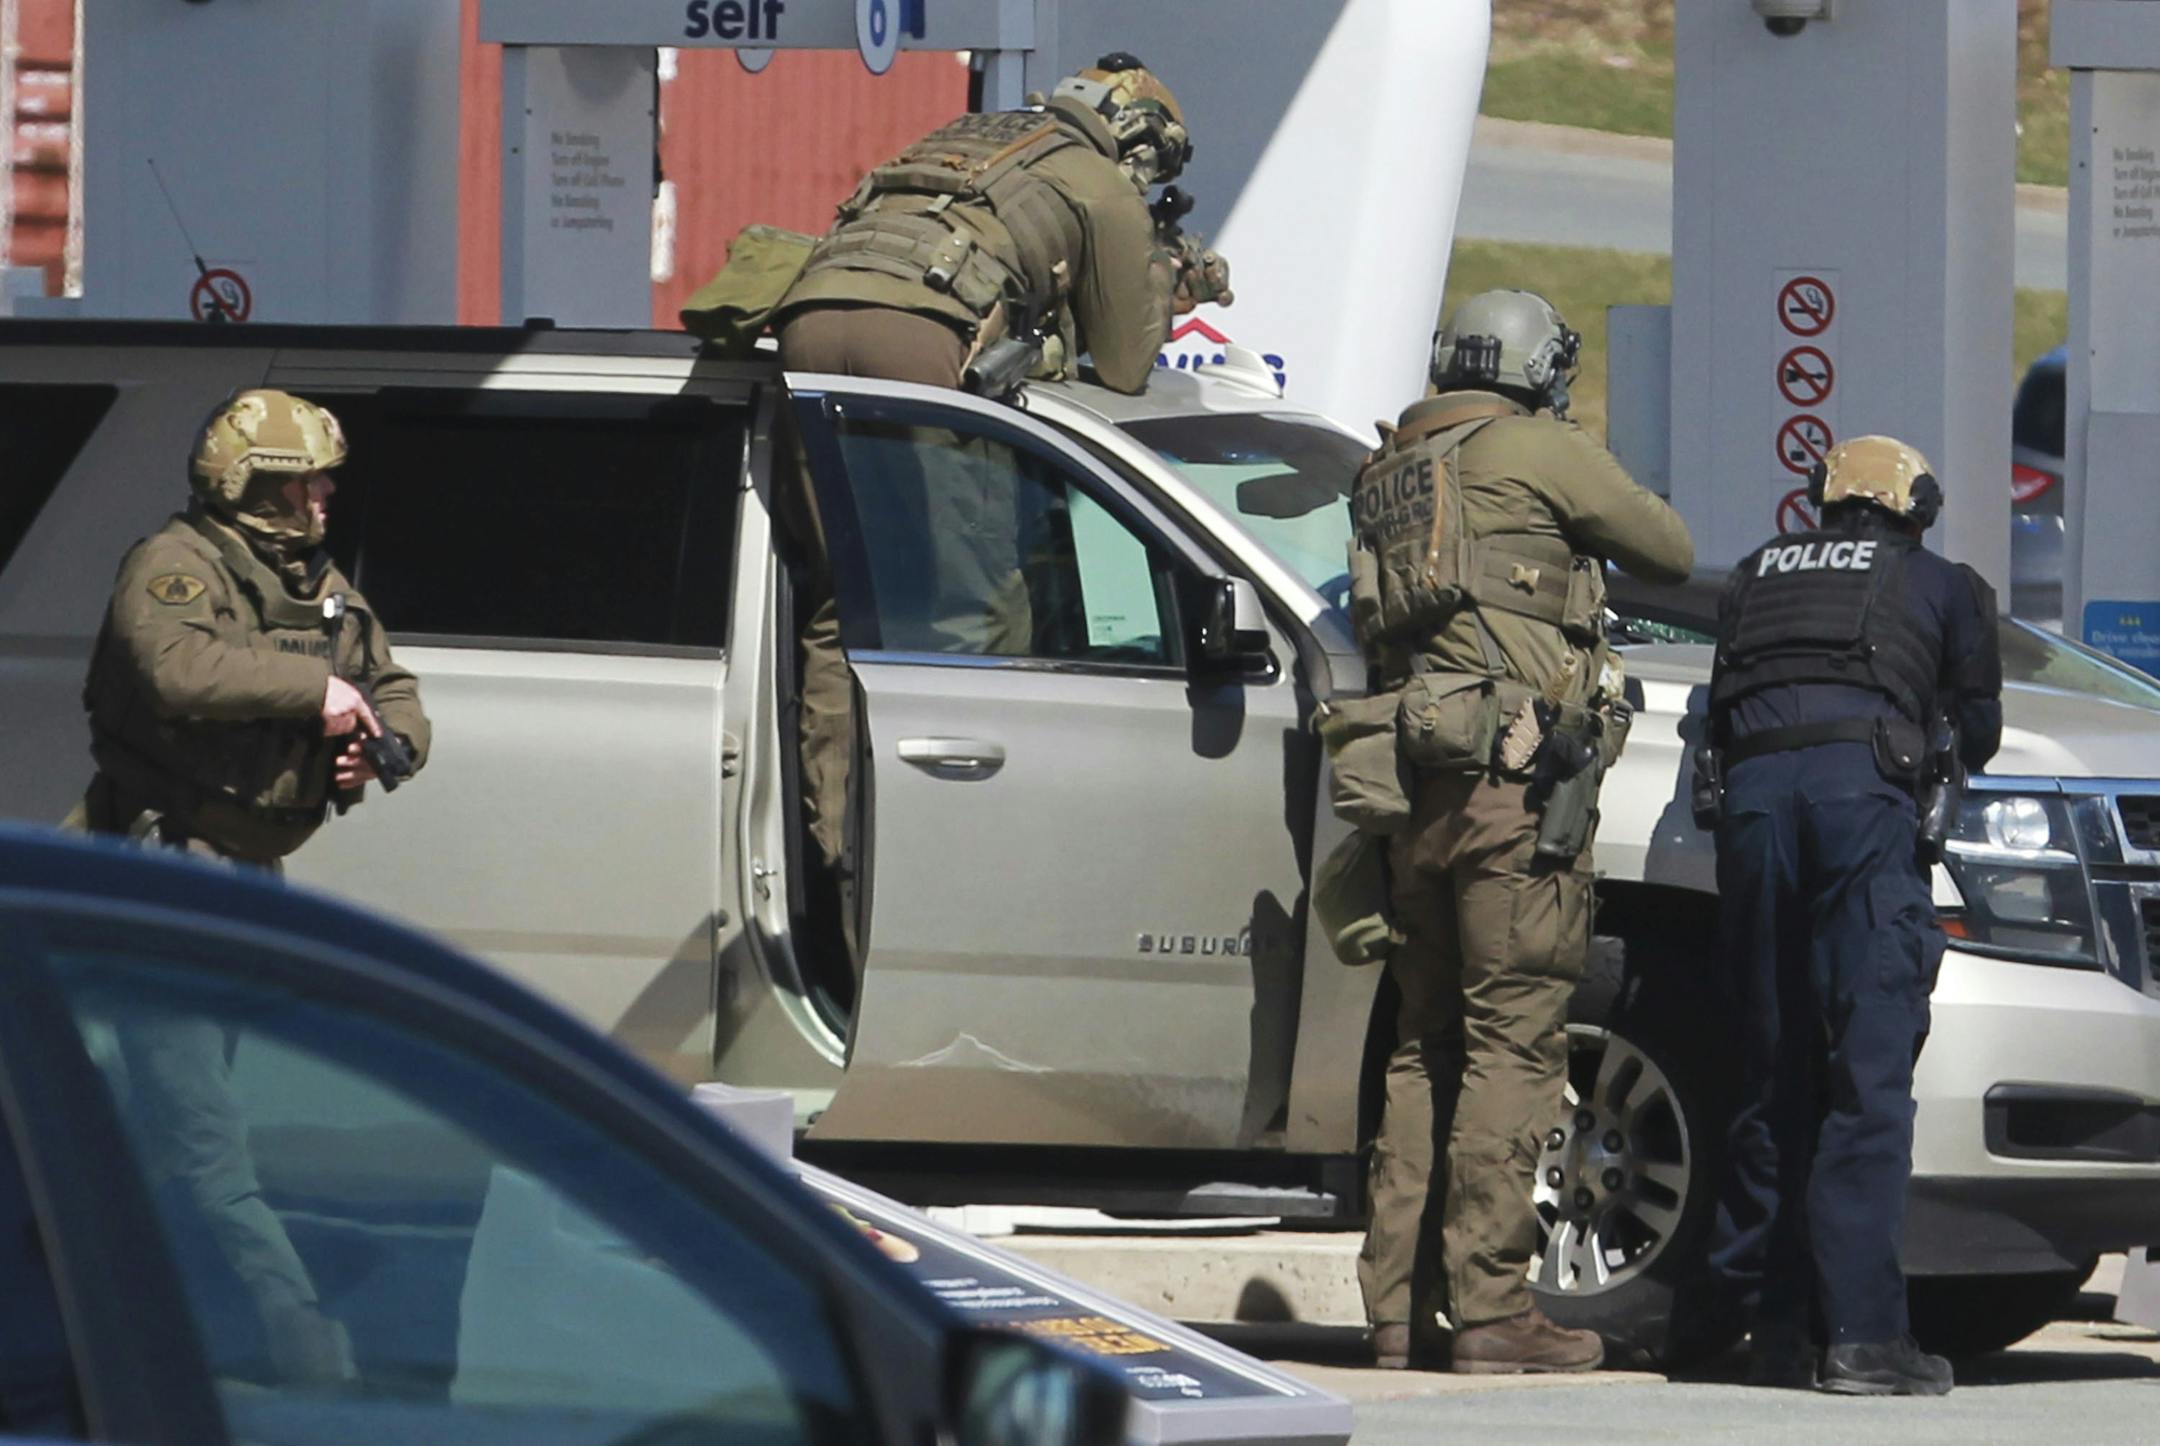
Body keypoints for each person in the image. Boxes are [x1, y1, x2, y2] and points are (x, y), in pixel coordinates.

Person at [770, 54, 1229, 930]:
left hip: (809, 317)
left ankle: (833, 857)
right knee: (972, 606)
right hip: (922, 338)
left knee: (843, 600)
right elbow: (1127, 365)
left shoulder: (970, 141)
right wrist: (1172, 280)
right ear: (1135, 138)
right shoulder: (1097, 180)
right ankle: (943, 866)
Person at [1349, 290, 1695, 1372]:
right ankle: (1496, 1313)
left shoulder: (1393, 466)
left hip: (1413, 787)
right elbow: (1667, 547)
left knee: (1422, 1045)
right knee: (1514, 1040)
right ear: (1539, 365)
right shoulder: (1534, 448)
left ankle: (1398, 1310)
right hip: (1513, 787)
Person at [70, 387, 431, 1384]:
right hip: (163, 872)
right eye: (299, 483)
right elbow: (176, 671)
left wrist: (384, 745)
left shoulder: (312, 582)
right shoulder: (176, 567)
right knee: (207, 1143)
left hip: (246, 875)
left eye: (324, 482)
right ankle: (307, 1354)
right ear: (245, 487)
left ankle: (121, 1318)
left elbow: (390, 683)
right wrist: (316, 693)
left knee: (166, 1129)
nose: (321, 501)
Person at [1702, 436, 2001, 1396]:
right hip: (1858, 808)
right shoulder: (1942, 581)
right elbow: (1980, 731)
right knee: (1864, 1077)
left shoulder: (1756, 573)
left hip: (1753, 817)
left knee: (1772, 1066)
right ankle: (1867, 1339)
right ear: (1913, 506)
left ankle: (1759, 1327)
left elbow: (1721, 714)